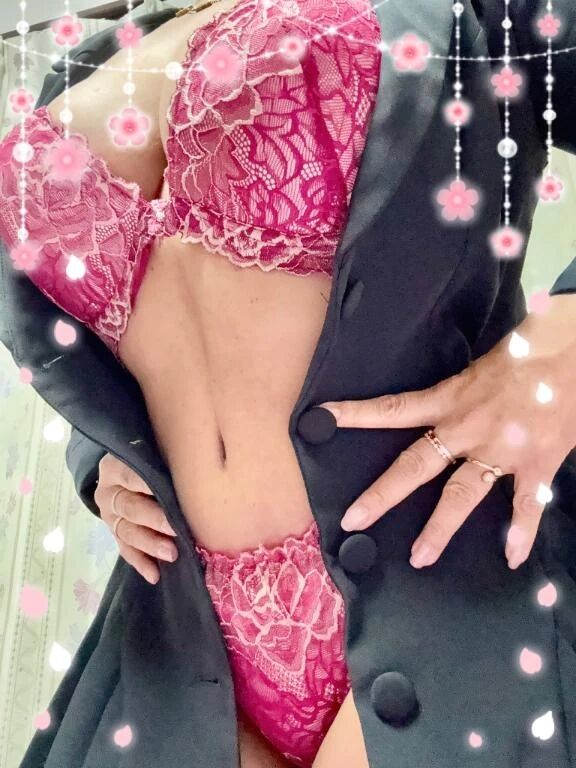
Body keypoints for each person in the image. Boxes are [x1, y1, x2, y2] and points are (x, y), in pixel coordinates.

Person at [1, 0, 576, 766]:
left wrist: (564, 344)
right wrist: (102, 458)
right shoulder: (99, 52)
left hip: (447, 588)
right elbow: (105, 341)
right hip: (181, 646)